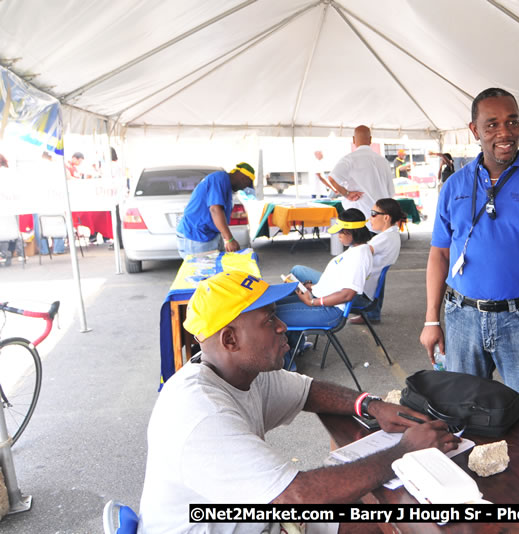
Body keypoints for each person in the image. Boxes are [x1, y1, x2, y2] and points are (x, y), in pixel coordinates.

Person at [138, 270, 458, 533]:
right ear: (230, 339)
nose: (283, 327)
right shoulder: (201, 414)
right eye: (269, 321)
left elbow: (307, 391)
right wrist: (404, 452)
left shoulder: (238, 372)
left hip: (259, 516)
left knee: (367, 522)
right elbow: (297, 497)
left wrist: (371, 405)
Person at [419, 87, 519, 433]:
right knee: (458, 415)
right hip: (461, 318)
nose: (505, 133)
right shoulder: (455, 185)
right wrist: (432, 320)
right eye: (491, 125)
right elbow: (440, 254)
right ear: (474, 130)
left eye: (512, 122)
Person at [277, 209, 374, 362]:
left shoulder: (360, 256)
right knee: (275, 303)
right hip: (321, 299)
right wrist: (312, 287)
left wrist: (312, 302)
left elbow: (347, 295)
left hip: (330, 311)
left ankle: (288, 363)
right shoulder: (355, 250)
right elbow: (338, 281)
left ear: (351, 232)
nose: (338, 235)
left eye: (341, 232)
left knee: (274, 316)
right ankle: (297, 346)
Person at [175, 163, 255, 258]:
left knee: (216, 270)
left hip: (208, 235)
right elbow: (215, 209)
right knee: (204, 271)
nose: (243, 188)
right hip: (197, 236)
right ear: (244, 179)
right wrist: (229, 239)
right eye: (246, 185)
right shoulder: (219, 178)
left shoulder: (225, 184)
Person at [326, 126, 395, 230]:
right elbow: (391, 192)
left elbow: (332, 178)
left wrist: (347, 194)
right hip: (382, 220)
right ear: (370, 139)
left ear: (354, 140)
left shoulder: (349, 159)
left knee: (360, 246)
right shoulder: (383, 161)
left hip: (358, 219)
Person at [349, 198, 405, 325]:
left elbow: (359, 254)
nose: (370, 218)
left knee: (299, 272)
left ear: (386, 218)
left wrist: (351, 238)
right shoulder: (391, 235)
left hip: (361, 292)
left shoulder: (384, 238)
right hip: (368, 289)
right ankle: (372, 314)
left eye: (374, 214)